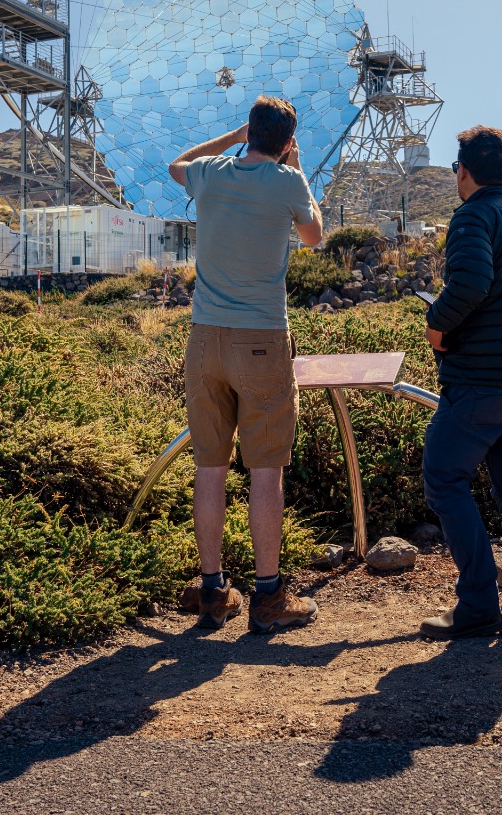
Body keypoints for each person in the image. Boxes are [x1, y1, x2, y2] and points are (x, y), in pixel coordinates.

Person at [168, 95, 324, 635]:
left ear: (248, 131)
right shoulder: (288, 182)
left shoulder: (209, 174)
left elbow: (175, 164)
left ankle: (211, 591)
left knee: (209, 466)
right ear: (286, 141)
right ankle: (267, 596)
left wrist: (231, 139)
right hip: (261, 337)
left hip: (204, 338)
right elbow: (314, 236)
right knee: (265, 468)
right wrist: (295, 169)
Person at [418, 126, 502, 639]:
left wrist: (438, 325)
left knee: (444, 477)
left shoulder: (474, 216)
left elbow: (470, 284)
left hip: (480, 381)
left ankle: (476, 602)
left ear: (464, 170)